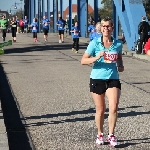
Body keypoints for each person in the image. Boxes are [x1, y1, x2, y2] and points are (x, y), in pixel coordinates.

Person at [81, 17, 124, 147]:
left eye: (108, 26)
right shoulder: (94, 43)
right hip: (97, 78)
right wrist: (97, 56)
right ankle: (100, 134)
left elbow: (120, 59)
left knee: (114, 107)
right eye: (104, 26)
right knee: (100, 110)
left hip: (113, 78)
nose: (106, 28)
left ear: (112, 28)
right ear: (101, 28)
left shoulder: (117, 44)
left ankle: (111, 135)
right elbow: (83, 61)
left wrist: (120, 66)